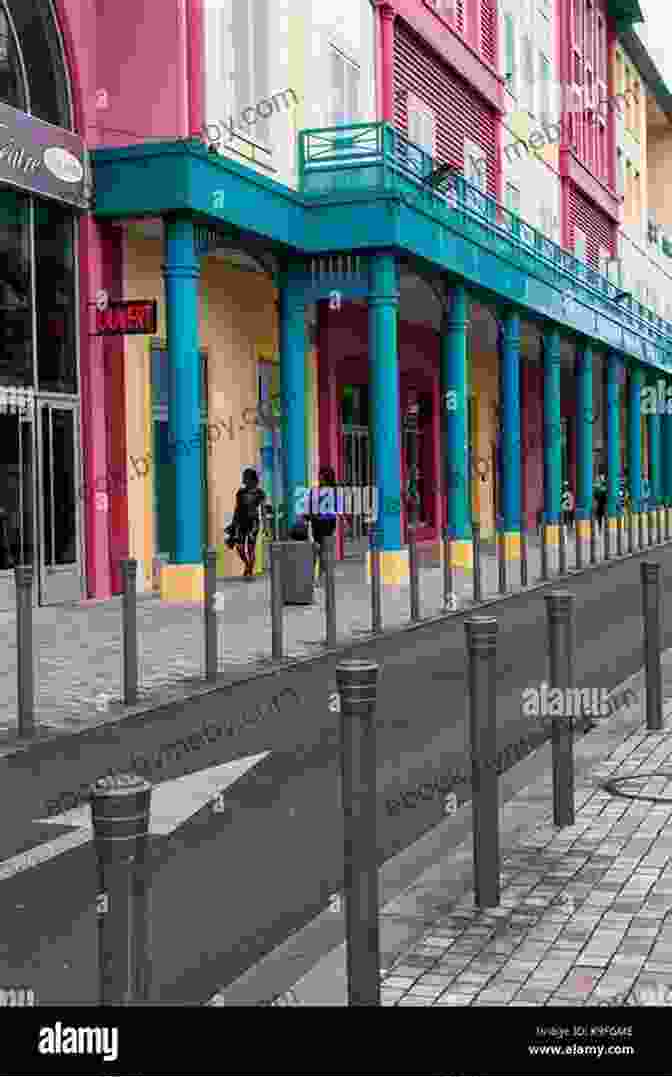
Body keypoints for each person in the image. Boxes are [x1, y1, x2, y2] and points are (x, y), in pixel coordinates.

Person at [229, 468, 266, 577]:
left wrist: (266, 527)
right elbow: (237, 509)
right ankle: (248, 565)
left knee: (250, 548)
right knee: (239, 548)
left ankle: (249, 571)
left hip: (253, 523)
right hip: (241, 523)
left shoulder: (259, 493)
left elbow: (263, 510)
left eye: (245, 477)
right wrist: (233, 524)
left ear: (251, 479)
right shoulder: (240, 493)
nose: (243, 479)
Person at [309, 465, 338, 586]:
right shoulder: (315, 490)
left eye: (321, 476)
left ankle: (320, 578)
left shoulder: (333, 491)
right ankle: (312, 577)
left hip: (327, 523)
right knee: (316, 551)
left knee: (323, 552)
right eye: (319, 475)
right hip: (317, 523)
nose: (319, 478)